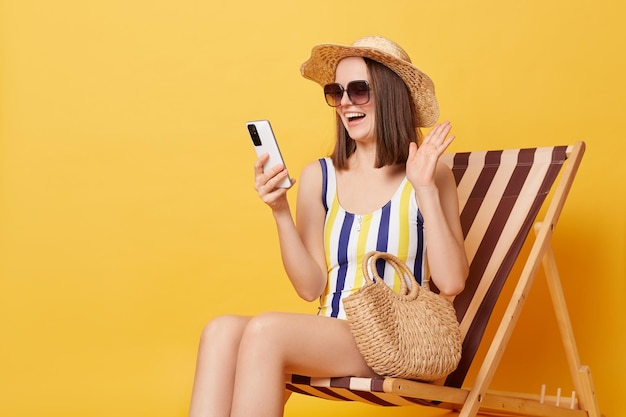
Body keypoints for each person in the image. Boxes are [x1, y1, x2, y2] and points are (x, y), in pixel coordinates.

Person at [188, 35, 469, 417]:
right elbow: (310, 288)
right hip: (332, 331)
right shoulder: (320, 177)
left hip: (396, 339)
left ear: (389, 95)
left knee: (267, 330)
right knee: (220, 331)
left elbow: (452, 282)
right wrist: (279, 211)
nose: (345, 103)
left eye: (358, 90)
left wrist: (424, 189)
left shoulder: (429, 174)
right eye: (336, 92)